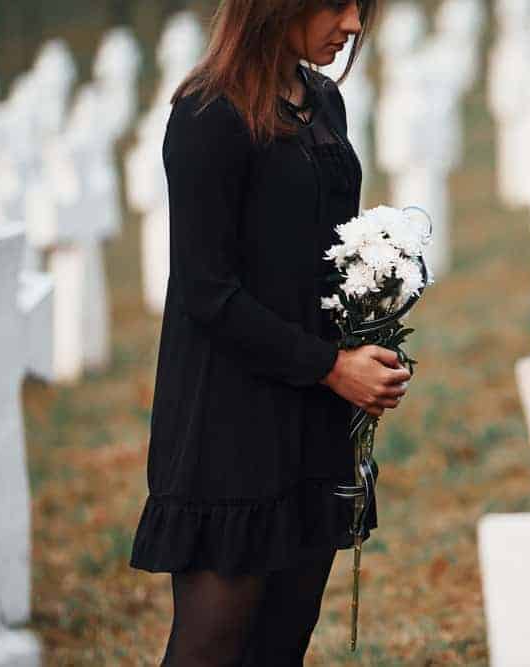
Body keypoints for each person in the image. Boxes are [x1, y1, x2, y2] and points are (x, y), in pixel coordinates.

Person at [126, 1, 406, 664]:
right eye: (338, 5)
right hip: (229, 429)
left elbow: (325, 258)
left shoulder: (324, 103)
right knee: (210, 649)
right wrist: (334, 366)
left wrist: (377, 316)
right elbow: (208, 292)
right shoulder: (207, 116)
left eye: (361, 7)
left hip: (311, 422)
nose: (354, 24)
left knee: (281, 646)